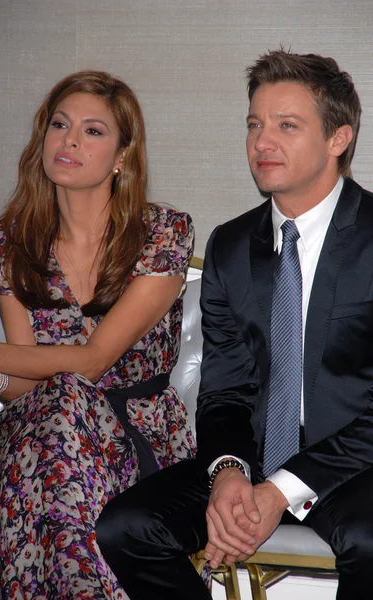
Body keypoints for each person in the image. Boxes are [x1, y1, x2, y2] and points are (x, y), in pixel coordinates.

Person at [96, 49, 373, 600]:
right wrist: (227, 472)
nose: (261, 142)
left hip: (351, 468)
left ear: (338, 138)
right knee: (126, 527)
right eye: (254, 124)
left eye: (286, 126)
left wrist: (279, 492)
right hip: (251, 458)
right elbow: (223, 389)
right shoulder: (229, 245)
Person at [0, 70, 196, 599]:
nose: (69, 140)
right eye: (59, 124)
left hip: (135, 435)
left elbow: (93, 362)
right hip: (43, 434)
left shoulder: (161, 234)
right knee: (56, 409)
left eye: (93, 131)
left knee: (67, 397)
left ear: (123, 156)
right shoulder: (9, 245)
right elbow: (25, 382)